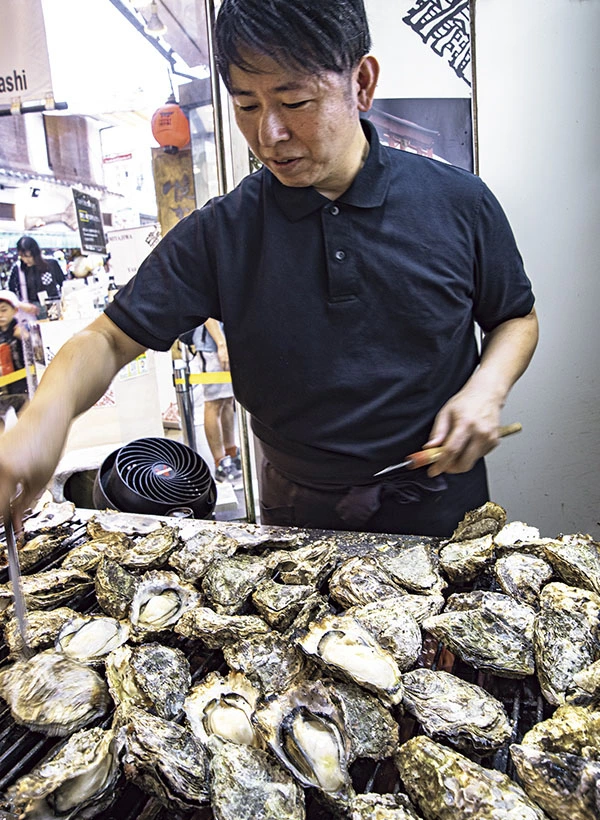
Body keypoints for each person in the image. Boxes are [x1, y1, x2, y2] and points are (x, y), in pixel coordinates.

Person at [0, 0, 538, 538]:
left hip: (441, 498)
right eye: (247, 106)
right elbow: (109, 339)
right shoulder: (224, 231)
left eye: (295, 101)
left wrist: (485, 390)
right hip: (296, 515)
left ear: (361, 83)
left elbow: (516, 318)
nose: (270, 134)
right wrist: (44, 419)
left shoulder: (458, 202)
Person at [181, 319, 243, 484]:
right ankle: (220, 462)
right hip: (210, 346)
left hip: (226, 341)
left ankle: (231, 452)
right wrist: (221, 344)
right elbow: (209, 314)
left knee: (228, 401)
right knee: (214, 403)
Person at [9, 236, 65, 311]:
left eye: (28, 256)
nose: (26, 260)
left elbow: (64, 284)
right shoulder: (18, 269)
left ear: (35, 253)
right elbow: (10, 293)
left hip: (53, 307)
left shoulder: (51, 264)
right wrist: (21, 305)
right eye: (22, 256)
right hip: (29, 310)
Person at [0, 290, 29, 426]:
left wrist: (25, 338)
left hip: (24, 390)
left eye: (4, 310)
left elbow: (36, 352)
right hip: (5, 391)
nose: (0, 315)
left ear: (15, 310)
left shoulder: (22, 330)